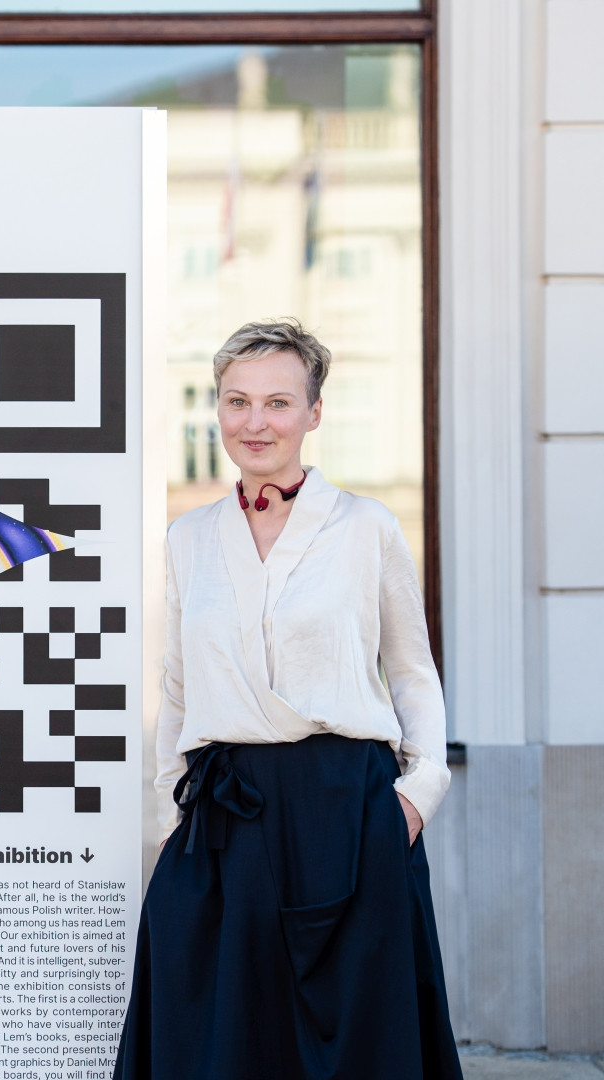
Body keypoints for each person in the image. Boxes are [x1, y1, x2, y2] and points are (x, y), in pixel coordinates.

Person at [114, 320, 461, 1079]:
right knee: (221, 1039)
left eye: (278, 402)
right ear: (217, 410)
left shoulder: (366, 526)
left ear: (314, 412)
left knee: (359, 1043)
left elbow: (411, 672)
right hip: (224, 817)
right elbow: (178, 687)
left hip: (348, 809)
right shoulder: (189, 537)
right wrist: (173, 811)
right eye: (237, 401)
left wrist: (417, 794)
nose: (255, 422)